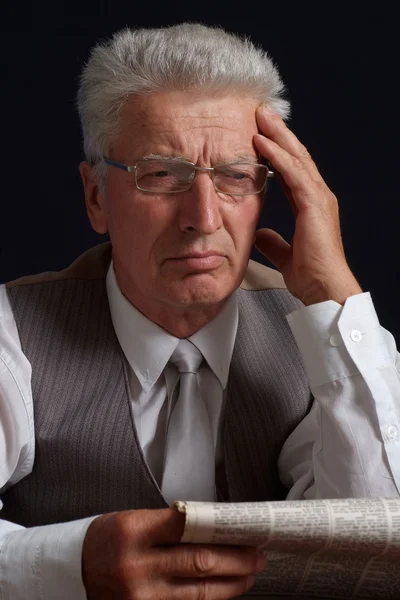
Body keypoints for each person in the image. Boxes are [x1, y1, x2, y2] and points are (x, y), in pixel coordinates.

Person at [1, 22, 399, 600]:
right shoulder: (15, 332)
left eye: (237, 177)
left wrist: (336, 299)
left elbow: (377, 544)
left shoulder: (321, 333)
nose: (204, 219)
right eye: (162, 175)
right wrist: (70, 565)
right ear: (96, 197)